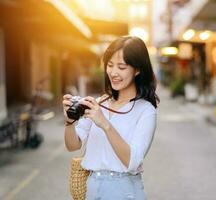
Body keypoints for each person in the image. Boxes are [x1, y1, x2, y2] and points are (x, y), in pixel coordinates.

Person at [62, 36, 159, 200]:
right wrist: (69, 122)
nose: (113, 73)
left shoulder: (146, 111)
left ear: (137, 69)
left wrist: (105, 125)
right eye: (110, 65)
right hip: (92, 187)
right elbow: (73, 145)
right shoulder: (99, 102)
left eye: (121, 67)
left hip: (124, 190)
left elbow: (132, 162)